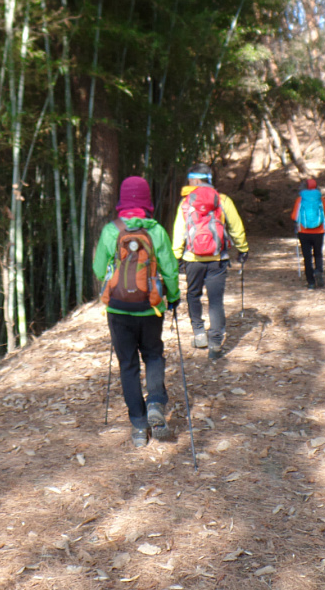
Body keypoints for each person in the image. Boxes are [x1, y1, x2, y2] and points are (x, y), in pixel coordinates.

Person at [93, 176, 181, 448]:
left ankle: (139, 427)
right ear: (146, 200)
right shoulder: (156, 231)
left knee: (128, 364)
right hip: (150, 307)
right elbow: (169, 269)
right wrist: (173, 297)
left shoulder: (111, 231)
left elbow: (99, 269)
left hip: (118, 309)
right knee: (153, 355)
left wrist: (116, 283)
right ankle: (155, 402)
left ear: (122, 200)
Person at [171, 163, 248, 360]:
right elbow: (236, 226)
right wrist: (243, 248)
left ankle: (199, 334)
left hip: (192, 259)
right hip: (217, 259)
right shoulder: (223, 200)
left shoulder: (186, 202)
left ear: (196, 180)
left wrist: (176, 255)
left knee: (193, 295)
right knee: (215, 301)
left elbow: (179, 231)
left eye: (190, 179)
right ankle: (215, 343)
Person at [292, 178, 325, 290]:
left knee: (307, 257)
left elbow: (294, 216)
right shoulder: (321, 199)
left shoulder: (300, 199)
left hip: (303, 232)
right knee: (318, 254)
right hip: (319, 232)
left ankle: (310, 282)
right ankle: (318, 271)